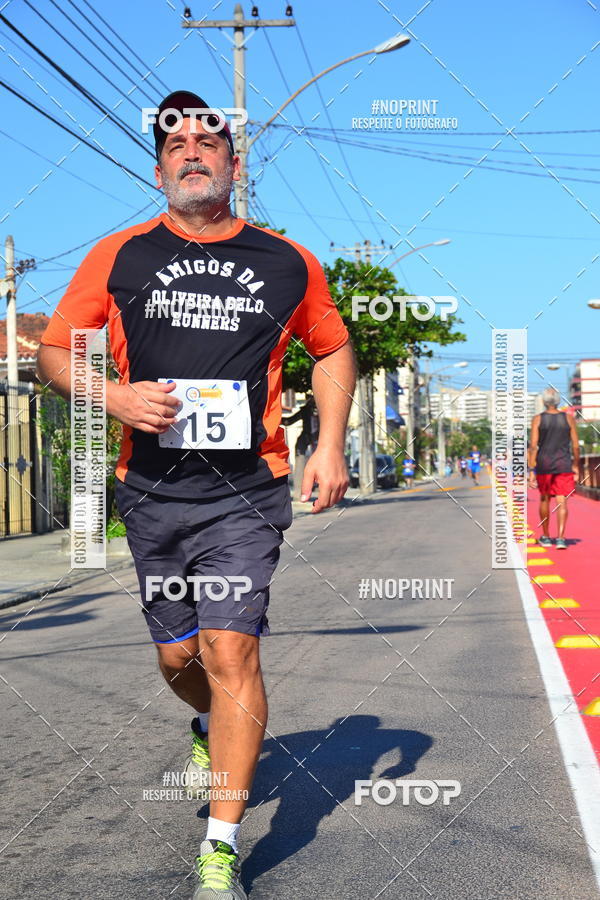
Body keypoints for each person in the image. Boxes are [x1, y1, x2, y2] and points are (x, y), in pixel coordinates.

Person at [37, 90, 356, 899]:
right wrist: (112, 398)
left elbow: (333, 349)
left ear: (232, 165)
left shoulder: (286, 260)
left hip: (248, 490)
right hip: (150, 488)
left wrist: (329, 444)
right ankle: (207, 723)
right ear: (158, 170)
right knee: (180, 656)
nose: (191, 151)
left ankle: (221, 848)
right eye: (175, 143)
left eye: (206, 143)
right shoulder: (119, 256)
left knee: (231, 649)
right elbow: (53, 355)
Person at [528, 388, 579, 549]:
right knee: (561, 500)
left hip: (544, 464)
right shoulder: (568, 419)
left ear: (543, 401)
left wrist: (531, 470)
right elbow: (576, 445)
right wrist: (576, 465)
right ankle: (561, 538)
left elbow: (533, 446)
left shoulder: (537, 419)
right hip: (563, 464)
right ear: (558, 401)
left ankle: (547, 537)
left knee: (544, 498)